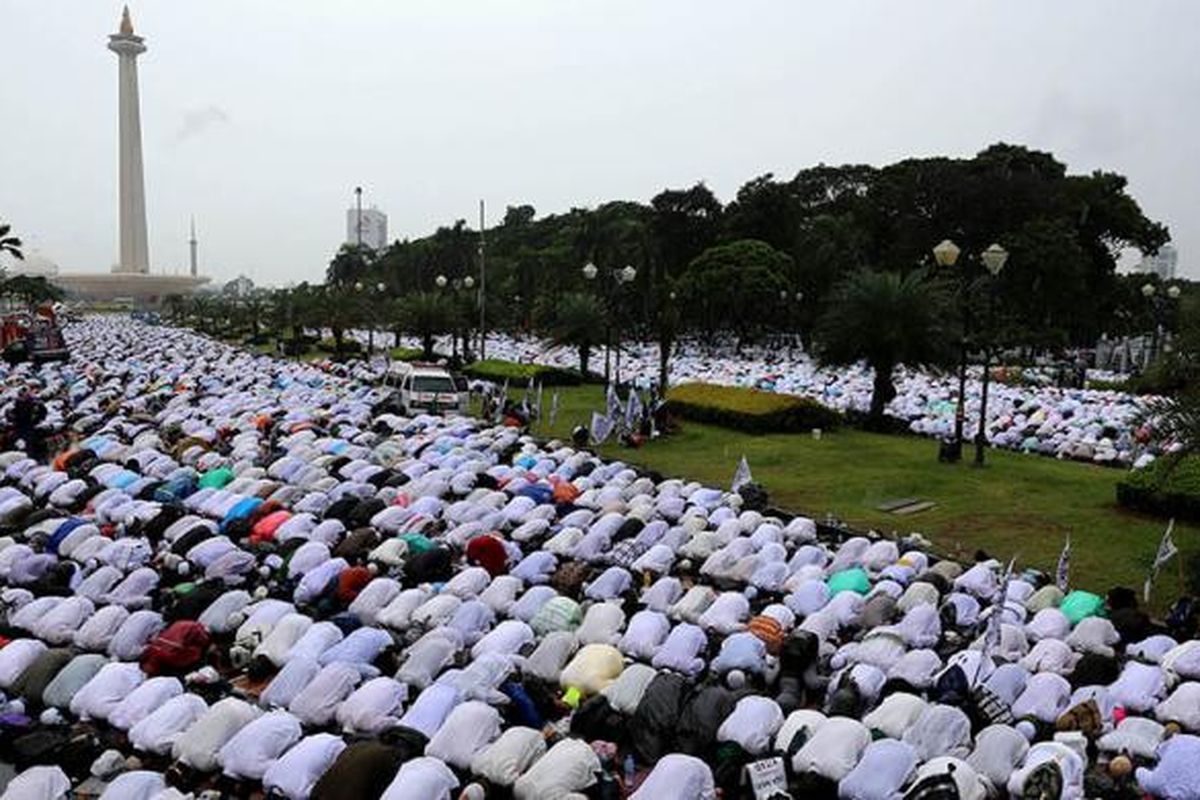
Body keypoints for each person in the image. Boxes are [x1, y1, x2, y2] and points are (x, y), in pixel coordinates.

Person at [7, 385, 48, 461]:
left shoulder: (37, 404)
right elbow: (10, 417)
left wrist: (37, 421)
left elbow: (43, 414)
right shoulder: (14, 405)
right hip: (20, 429)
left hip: (31, 428)